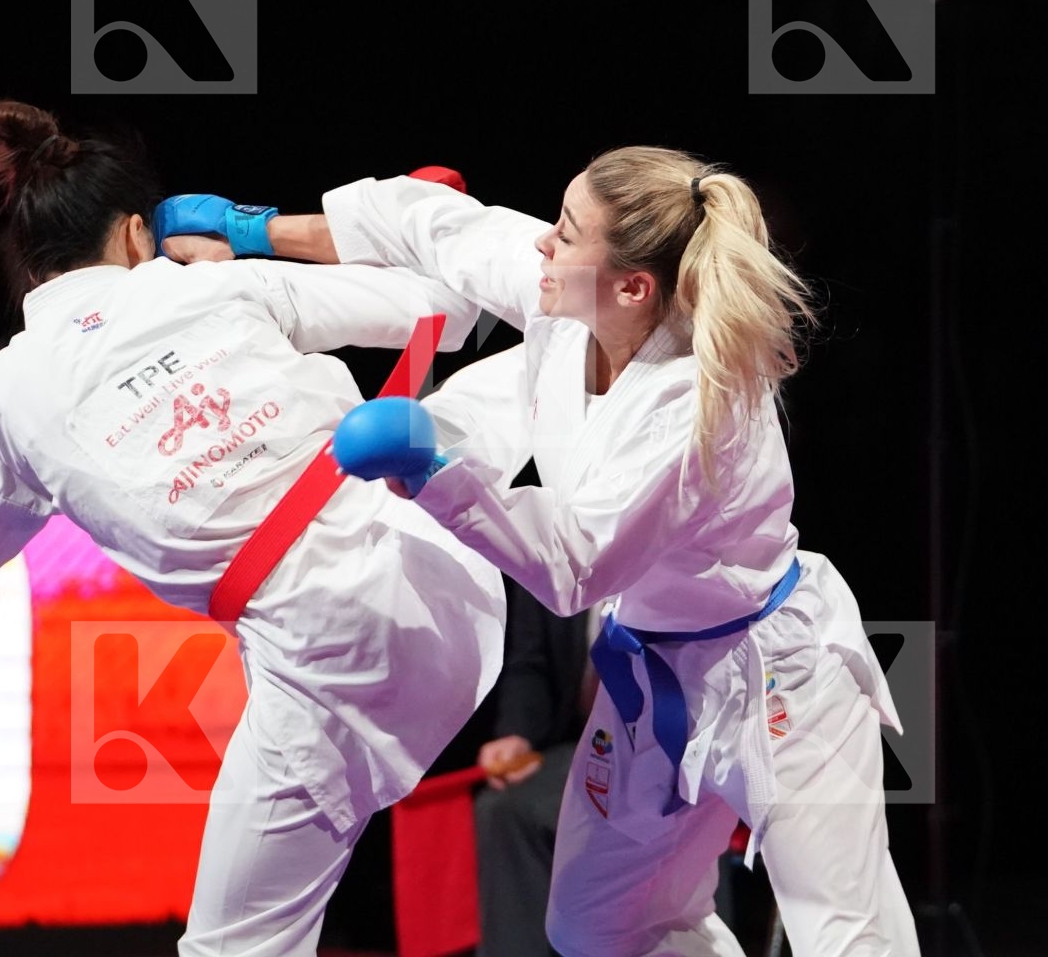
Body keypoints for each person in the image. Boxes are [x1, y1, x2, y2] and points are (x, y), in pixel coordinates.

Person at [158, 147, 920, 955]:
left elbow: (574, 566)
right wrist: (257, 230)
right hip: (652, 675)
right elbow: (438, 226)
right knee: (600, 925)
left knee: (851, 937)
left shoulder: (699, 406)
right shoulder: (573, 295)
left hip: (778, 678)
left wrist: (433, 473)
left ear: (634, 286)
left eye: (563, 231)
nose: (540, 246)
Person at [0, 101, 511, 957]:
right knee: (538, 357)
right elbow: (438, 308)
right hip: (446, 564)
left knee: (231, 949)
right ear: (137, 233)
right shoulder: (209, 280)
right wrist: (305, 231)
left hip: (332, 662)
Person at [474, 574, 597, 957]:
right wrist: (517, 733)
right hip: (580, 746)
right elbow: (530, 658)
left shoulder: (674, 537)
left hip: (668, 747)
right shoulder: (556, 537)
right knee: (501, 807)